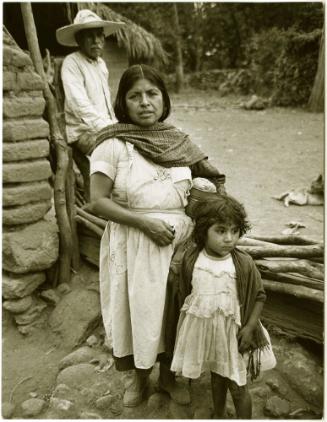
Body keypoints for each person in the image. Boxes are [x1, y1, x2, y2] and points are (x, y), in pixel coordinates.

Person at [85, 63, 226, 408]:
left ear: (164, 99)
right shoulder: (112, 144)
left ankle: (168, 376)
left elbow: (211, 183)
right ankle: (139, 379)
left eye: (152, 94)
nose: (145, 102)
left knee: (174, 311)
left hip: (179, 247)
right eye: (135, 96)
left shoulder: (178, 142)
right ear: (123, 102)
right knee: (138, 312)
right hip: (136, 242)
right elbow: (97, 201)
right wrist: (145, 223)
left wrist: (204, 206)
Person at [166, 195, 276, 419]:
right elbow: (187, 295)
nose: (229, 238)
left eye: (235, 231)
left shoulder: (243, 263)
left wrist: (249, 327)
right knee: (216, 376)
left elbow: (259, 296)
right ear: (204, 231)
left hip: (235, 335)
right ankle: (218, 414)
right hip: (208, 333)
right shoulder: (192, 259)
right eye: (221, 230)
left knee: (237, 386)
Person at [56, 9, 124, 199]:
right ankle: (103, 205)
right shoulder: (72, 63)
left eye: (99, 36)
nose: (96, 41)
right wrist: (110, 128)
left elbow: (106, 104)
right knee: (119, 153)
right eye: (89, 37)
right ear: (79, 40)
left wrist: (115, 124)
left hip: (103, 127)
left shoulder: (101, 64)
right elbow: (79, 105)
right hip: (82, 132)